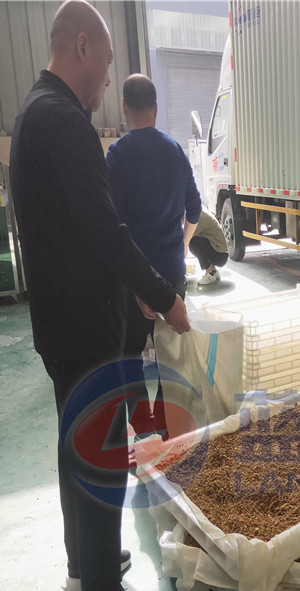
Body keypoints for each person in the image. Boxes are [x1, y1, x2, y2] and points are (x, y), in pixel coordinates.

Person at [10, 0, 190, 591]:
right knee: (102, 458)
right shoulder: (65, 122)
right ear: (81, 47)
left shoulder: (33, 113)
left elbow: (77, 234)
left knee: (75, 449)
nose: (108, 78)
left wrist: (128, 289)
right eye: (107, 61)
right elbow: (105, 231)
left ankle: (84, 569)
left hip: (62, 320)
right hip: (86, 327)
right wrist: (162, 296)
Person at [106, 74, 202, 440]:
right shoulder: (175, 151)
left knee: (131, 351)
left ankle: (141, 423)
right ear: (157, 108)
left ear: (124, 107)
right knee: (170, 350)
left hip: (134, 276)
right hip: (171, 274)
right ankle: (166, 425)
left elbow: (112, 224)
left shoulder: (117, 155)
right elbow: (194, 209)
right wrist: (182, 244)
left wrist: (135, 284)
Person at [189, 207, 229, 285]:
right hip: (221, 254)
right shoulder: (200, 211)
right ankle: (214, 271)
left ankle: (210, 274)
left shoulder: (198, 216)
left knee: (193, 243)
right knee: (196, 241)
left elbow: (187, 238)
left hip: (220, 256)